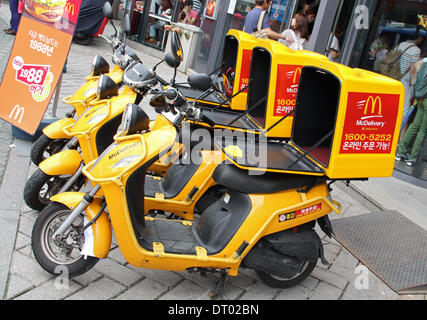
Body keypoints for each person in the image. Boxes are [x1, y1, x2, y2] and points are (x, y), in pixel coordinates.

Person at [395, 55, 427, 167]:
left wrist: (418, 82)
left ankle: (401, 152)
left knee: (414, 126)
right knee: (423, 130)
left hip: (421, 97)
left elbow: (418, 64)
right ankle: (413, 158)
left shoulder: (426, 60)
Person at [396, 33, 425, 120]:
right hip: (405, 82)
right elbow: (413, 69)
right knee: (404, 110)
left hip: (396, 79)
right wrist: (413, 86)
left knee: (395, 106)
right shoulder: (416, 50)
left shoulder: (401, 44)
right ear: (419, 38)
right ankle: (400, 132)